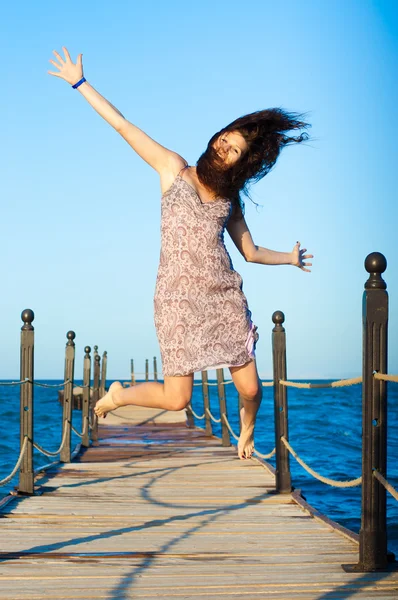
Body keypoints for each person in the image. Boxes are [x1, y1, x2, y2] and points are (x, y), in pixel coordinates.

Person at [48, 47, 314, 459]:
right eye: (227, 139)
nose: (226, 147)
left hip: (223, 299)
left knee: (252, 389)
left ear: (240, 165)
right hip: (176, 299)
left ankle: (246, 432)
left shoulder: (230, 200)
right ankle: (118, 396)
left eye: (236, 151)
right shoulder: (174, 169)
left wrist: (290, 259)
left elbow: (250, 251)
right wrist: (81, 84)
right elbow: (123, 127)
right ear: (217, 136)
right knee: (177, 400)